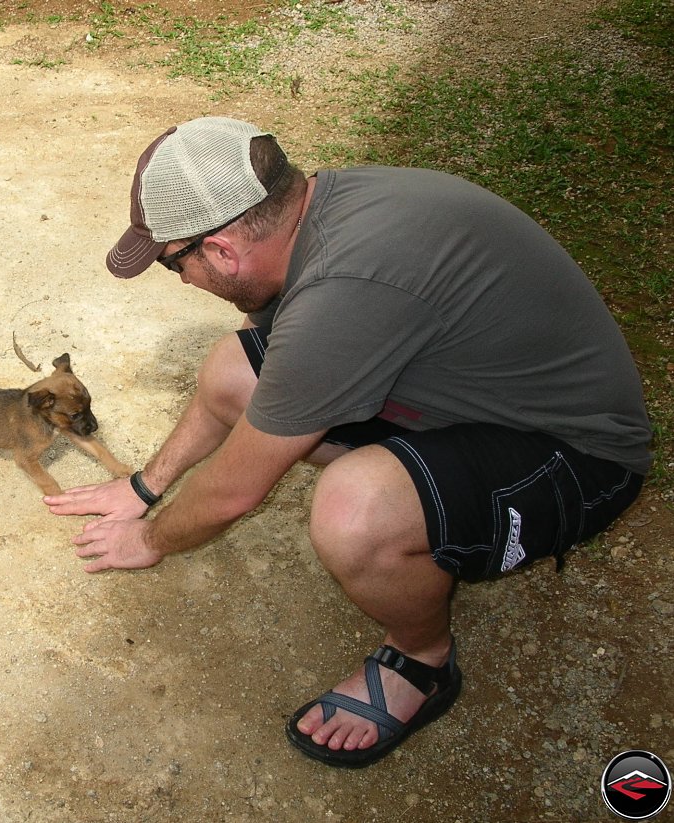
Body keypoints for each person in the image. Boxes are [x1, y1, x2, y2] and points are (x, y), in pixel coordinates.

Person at [44, 116, 652, 768]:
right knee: (233, 368)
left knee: (353, 513)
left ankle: (422, 659)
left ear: (221, 251)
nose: (184, 280)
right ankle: (418, 497)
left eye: (172, 264)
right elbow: (253, 373)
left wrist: (149, 538)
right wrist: (145, 486)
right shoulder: (323, 210)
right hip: (480, 394)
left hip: (578, 452)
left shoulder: (342, 290)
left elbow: (232, 492)